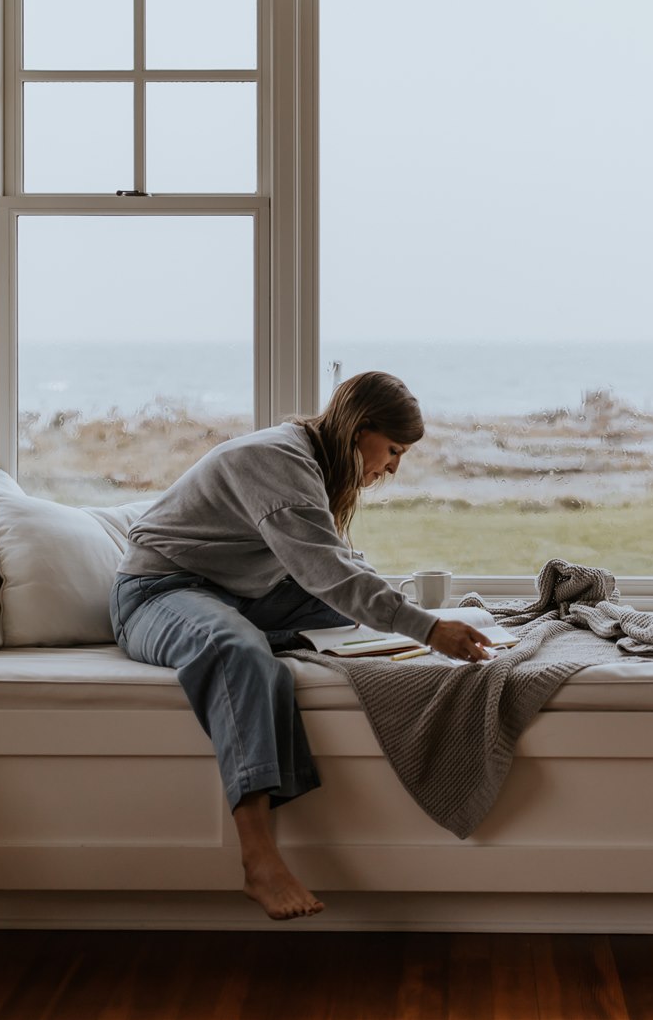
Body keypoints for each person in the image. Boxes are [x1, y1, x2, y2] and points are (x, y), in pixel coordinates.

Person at [110, 371, 494, 920]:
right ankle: (258, 858)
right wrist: (428, 630)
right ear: (361, 429)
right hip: (157, 594)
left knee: (354, 609)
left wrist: (430, 619)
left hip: (241, 593)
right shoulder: (277, 460)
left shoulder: (310, 460)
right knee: (238, 650)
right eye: (392, 451)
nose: (392, 468)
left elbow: (338, 573)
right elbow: (327, 570)